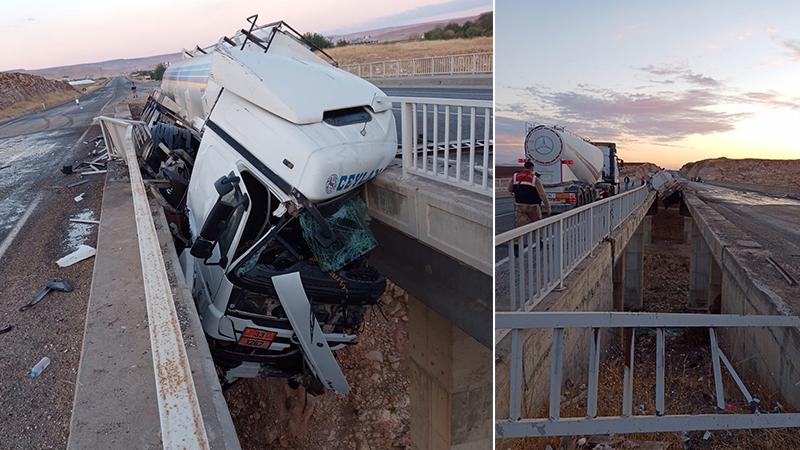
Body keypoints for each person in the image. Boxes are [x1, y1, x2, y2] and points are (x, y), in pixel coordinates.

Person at [507, 161, 551, 227]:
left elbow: (510, 189)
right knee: (536, 227)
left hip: (520, 205)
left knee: (519, 228)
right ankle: (537, 237)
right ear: (532, 168)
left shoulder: (515, 176)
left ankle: (517, 237)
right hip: (533, 207)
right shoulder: (535, 179)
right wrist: (548, 207)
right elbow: (542, 195)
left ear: (524, 167)